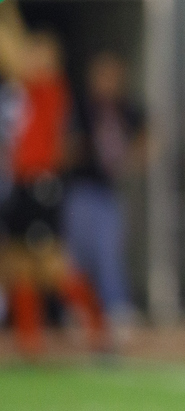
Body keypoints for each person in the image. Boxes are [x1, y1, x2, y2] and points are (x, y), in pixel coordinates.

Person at [1, 24, 109, 355]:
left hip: (41, 184)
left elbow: (13, 59)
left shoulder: (50, 88)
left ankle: (98, 330)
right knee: (17, 264)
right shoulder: (24, 91)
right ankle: (29, 340)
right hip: (20, 184)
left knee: (52, 265)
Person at [64, 52, 145, 328]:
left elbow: (149, 134)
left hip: (108, 192)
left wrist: (130, 159)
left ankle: (115, 308)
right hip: (79, 189)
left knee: (109, 254)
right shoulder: (83, 108)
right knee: (76, 255)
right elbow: (66, 145)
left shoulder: (125, 108)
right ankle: (80, 310)